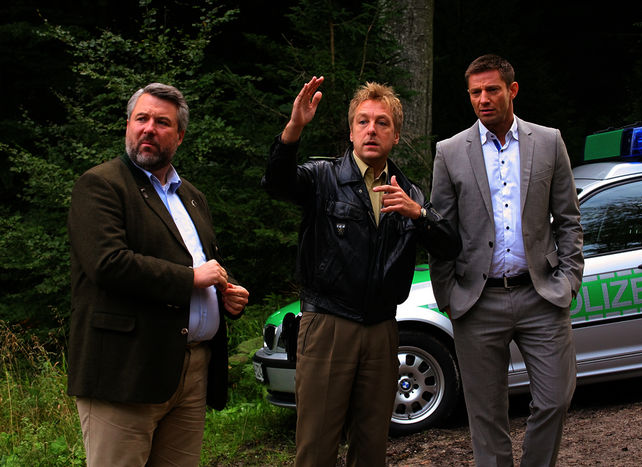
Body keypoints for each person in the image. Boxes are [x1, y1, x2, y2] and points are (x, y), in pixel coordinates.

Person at [262, 76, 461, 466]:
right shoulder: (323, 178)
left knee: (371, 447)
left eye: (382, 122)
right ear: (352, 132)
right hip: (328, 325)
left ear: (396, 135)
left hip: (384, 329)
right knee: (317, 446)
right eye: (363, 122)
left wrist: (419, 214)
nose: (372, 129)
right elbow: (276, 182)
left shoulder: (409, 192)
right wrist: (295, 127)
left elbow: (450, 246)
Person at [67, 82, 249, 466]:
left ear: (179, 136)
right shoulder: (101, 185)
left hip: (191, 371)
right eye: (141, 119)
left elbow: (203, 265)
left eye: (162, 122)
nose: (149, 128)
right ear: (128, 126)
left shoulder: (192, 196)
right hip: (125, 371)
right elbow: (108, 263)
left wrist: (224, 294)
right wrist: (192, 279)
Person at [429, 55, 584, 466]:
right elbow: (440, 232)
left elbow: (568, 218)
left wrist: (569, 278)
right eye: (475, 92)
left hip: (541, 294)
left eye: (492, 89)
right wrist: (447, 294)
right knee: (486, 416)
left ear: (512, 90)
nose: (483, 99)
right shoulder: (449, 152)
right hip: (476, 302)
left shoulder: (548, 141)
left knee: (555, 398)